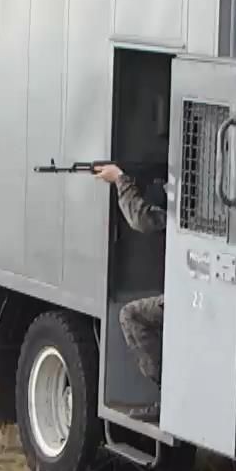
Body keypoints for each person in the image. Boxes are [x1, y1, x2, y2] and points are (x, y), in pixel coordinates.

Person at [92, 163, 166, 415]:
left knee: (130, 316)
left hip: (187, 297)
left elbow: (141, 218)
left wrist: (120, 180)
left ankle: (167, 391)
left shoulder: (182, 199)